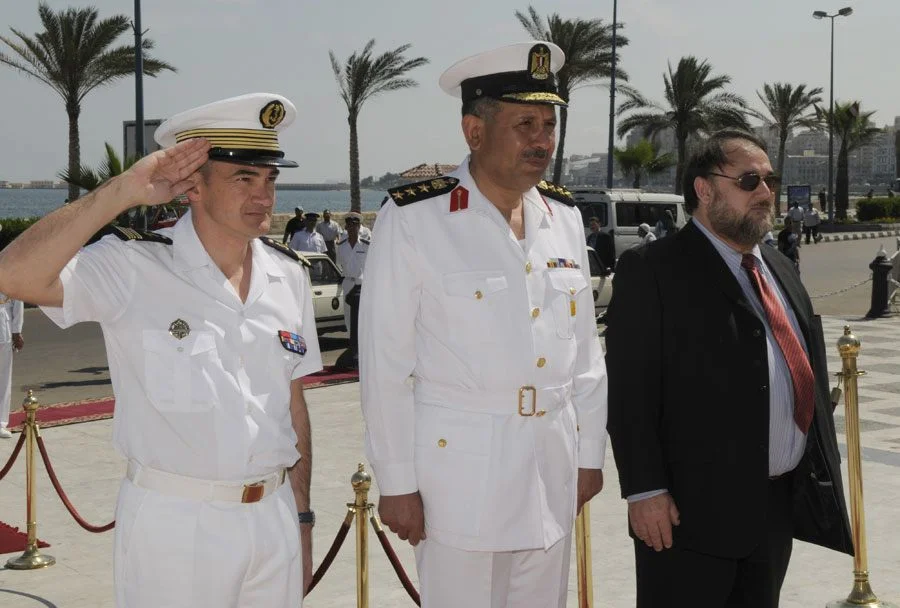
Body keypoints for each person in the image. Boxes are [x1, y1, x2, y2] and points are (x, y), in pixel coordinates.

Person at [0, 93, 321, 607]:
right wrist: (121, 192)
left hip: (274, 517)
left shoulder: (288, 275)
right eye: (244, 179)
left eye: (270, 179)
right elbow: (13, 275)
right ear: (193, 186)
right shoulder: (133, 266)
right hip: (177, 524)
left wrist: (301, 517)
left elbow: (293, 406)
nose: (264, 195)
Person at [359, 42, 607, 608]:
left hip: (550, 466)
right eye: (524, 124)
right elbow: (385, 364)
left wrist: (588, 453)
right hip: (460, 477)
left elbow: (587, 353)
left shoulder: (562, 217)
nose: (542, 140)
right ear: (474, 131)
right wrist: (397, 483)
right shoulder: (415, 218)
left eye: (549, 124)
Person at [605, 129, 852, 608]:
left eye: (770, 180)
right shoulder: (654, 270)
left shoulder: (778, 266)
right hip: (688, 518)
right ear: (705, 189)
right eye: (749, 180)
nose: (766, 193)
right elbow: (631, 395)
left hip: (773, 512)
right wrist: (645, 490)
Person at [335, 212, 369, 365]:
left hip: (363, 285)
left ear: (358, 226)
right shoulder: (341, 246)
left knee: (363, 319)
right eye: (349, 225)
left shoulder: (366, 244)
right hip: (348, 283)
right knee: (349, 319)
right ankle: (353, 349)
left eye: (354, 225)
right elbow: (339, 264)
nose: (351, 228)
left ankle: (363, 350)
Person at [0, 288, 24, 439]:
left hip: (4, 328)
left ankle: (0, 422)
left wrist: (17, 330)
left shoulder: (9, 270)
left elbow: (18, 300)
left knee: (3, 379)